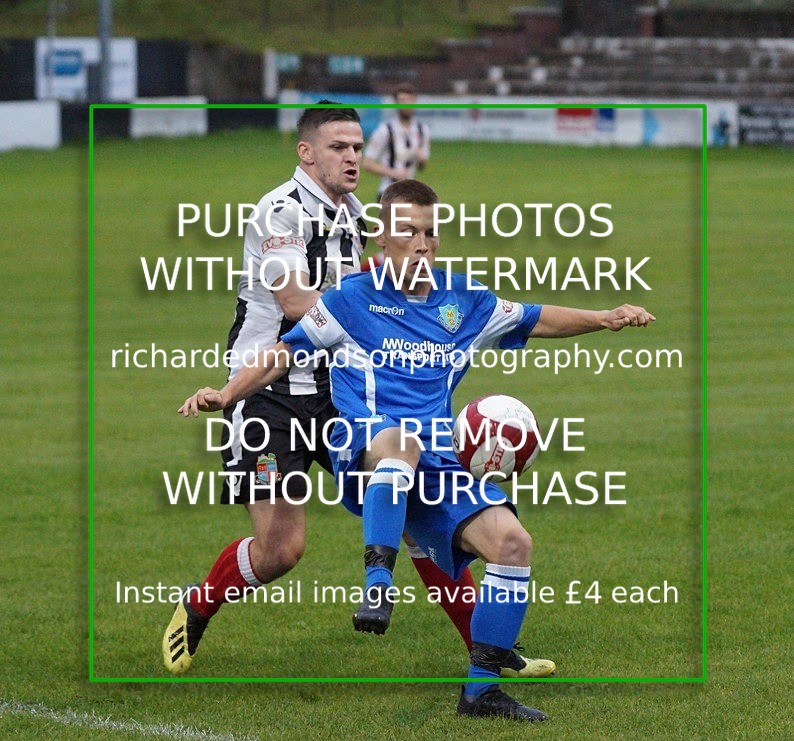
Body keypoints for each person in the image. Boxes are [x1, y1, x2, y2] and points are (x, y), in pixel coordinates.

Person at [178, 179, 656, 721]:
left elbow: (536, 317)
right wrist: (226, 392)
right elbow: (282, 355)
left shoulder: (464, 301)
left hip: (435, 461)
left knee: (513, 543)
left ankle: (481, 691)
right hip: (364, 447)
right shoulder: (350, 300)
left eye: (431, 233)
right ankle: (377, 584)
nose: (423, 244)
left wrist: (606, 317)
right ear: (382, 237)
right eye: (409, 233)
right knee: (397, 446)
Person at [162, 106, 550, 681]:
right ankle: (200, 603)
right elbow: (297, 304)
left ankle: (486, 651)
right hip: (269, 393)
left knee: (419, 505)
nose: (353, 157)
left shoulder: (357, 215)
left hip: (340, 391)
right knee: (281, 550)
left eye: (356, 145)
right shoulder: (281, 212)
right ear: (307, 153)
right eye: (340, 146)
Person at [362, 83, 430, 202]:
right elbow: (367, 163)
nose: (407, 104)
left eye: (410, 100)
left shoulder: (422, 130)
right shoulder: (385, 130)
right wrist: (394, 173)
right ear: (396, 103)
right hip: (388, 192)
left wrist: (422, 160)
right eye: (403, 100)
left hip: (411, 193)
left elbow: (421, 166)